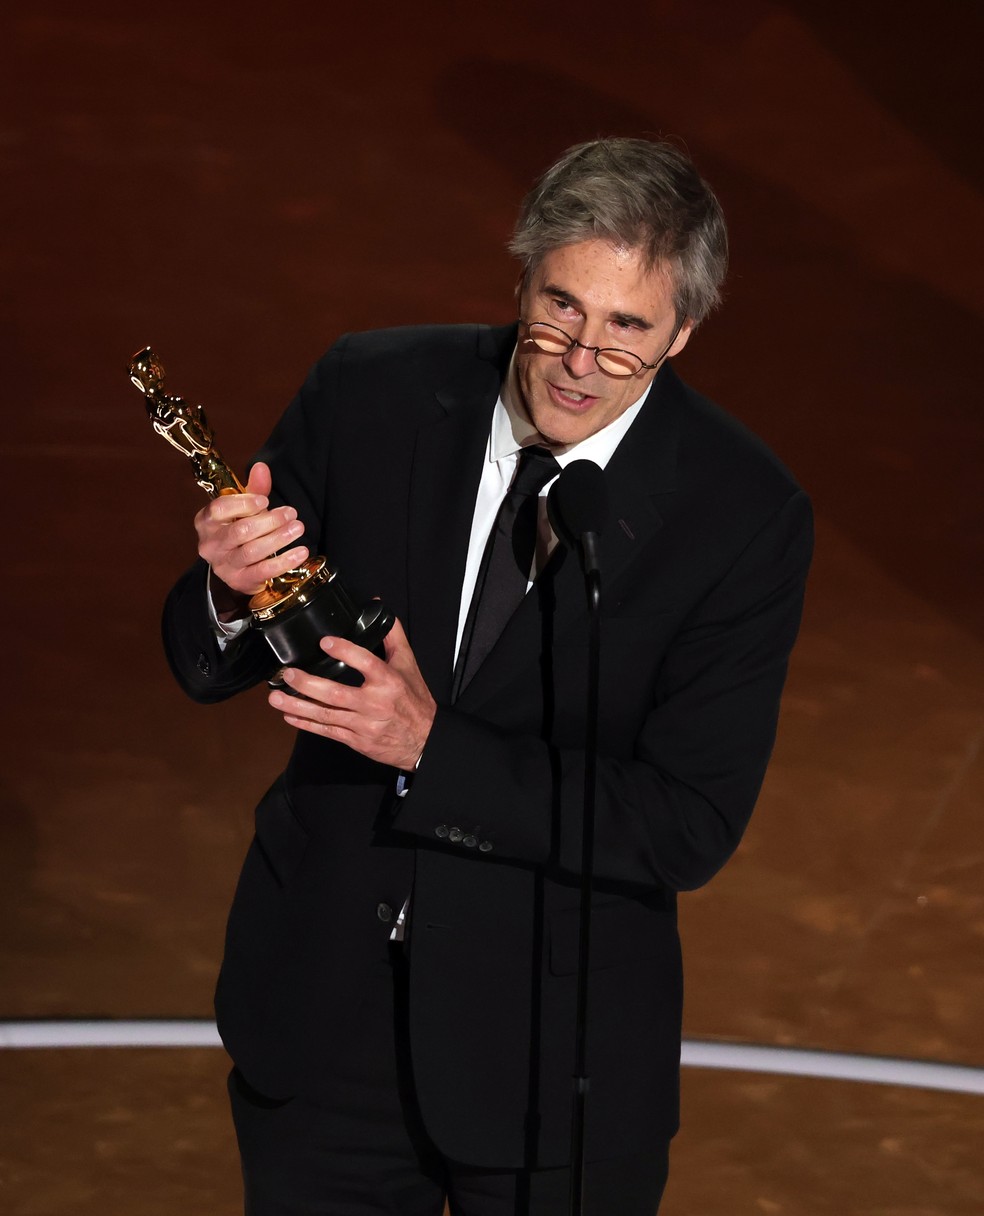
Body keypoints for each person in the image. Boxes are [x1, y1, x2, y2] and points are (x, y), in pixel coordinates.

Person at [162, 137, 813, 1215]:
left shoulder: (739, 517)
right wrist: (230, 593)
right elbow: (205, 659)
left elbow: (686, 822)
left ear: (685, 331)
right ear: (522, 277)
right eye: (560, 308)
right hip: (324, 1031)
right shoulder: (371, 392)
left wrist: (434, 750)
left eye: (626, 332)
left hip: (555, 1062)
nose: (577, 359)